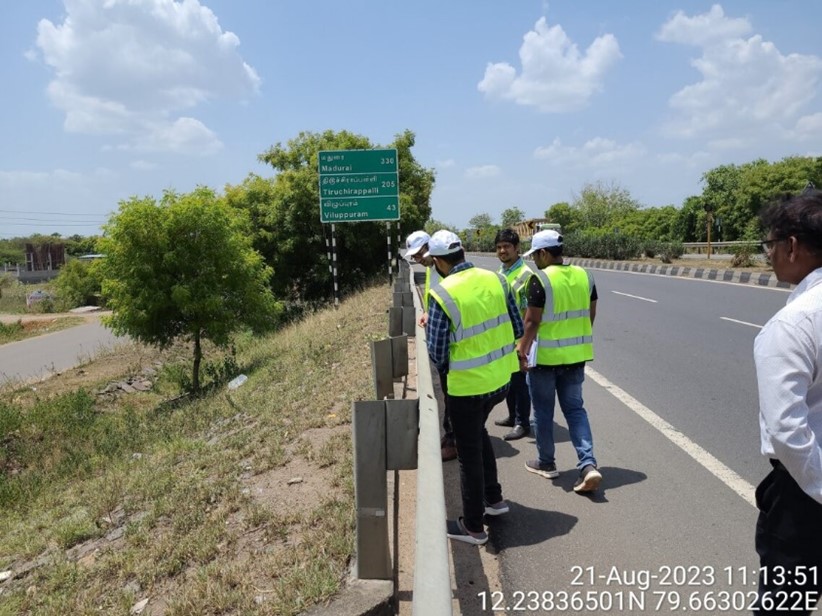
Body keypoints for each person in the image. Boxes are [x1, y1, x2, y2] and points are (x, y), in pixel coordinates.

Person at [425, 230, 523, 545]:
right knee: (479, 435)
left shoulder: (442, 293)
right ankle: (494, 500)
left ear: (438, 261)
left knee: (468, 453)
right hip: (500, 382)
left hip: (467, 388)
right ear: (463, 252)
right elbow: (517, 327)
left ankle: (473, 527)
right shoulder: (497, 280)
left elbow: (437, 354)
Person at [752, 189, 822, 615]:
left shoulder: (792, 326)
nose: (770, 255)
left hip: (804, 501)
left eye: (771, 245)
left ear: (792, 246)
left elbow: (787, 433)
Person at [516, 229, 602, 493]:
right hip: (575, 358)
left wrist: (522, 349)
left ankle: (546, 463)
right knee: (576, 410)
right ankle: (588, 465)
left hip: (545, 360)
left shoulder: (539, 279)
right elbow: (591, 312)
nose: (534, 261)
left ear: (543, 253)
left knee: (542, 412)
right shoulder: (584, 275)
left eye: (535, 255)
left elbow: (531, 321)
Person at [404, 230, 455, 462]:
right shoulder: (431, 270)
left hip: (452, 345)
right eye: (414, 257)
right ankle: (450, 434)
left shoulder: (444, 270)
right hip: (440, 340)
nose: (418, 259)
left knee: (452, 395)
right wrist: (426, 313)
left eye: (420, 253)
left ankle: (454, 442)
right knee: (447, 394)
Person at [493, 228, 534, 441]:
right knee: (509, 380)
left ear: (517, 248)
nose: (502, 250)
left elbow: (529, 313)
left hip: (519, 338)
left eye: (507, 247)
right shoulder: (500, 273)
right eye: (499, 247)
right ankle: (512, 416)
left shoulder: (526, 275)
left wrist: (524, 343)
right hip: (505, 337)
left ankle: (522, 422)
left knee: (520, 383)